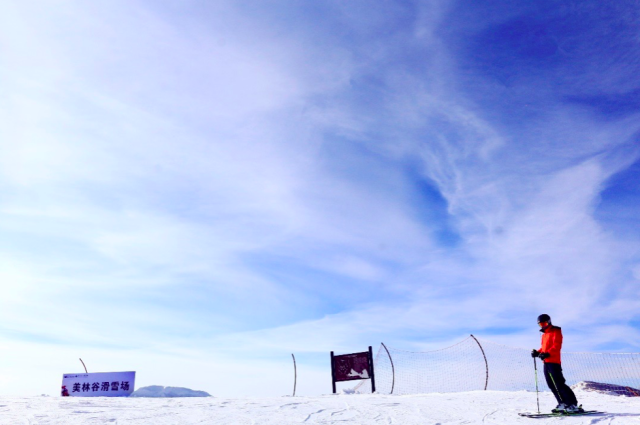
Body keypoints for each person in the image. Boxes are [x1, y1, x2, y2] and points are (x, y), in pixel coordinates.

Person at [531, 314, 583, 413]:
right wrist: (537, 352)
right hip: (546, 362)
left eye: (544, 323)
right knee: (551, 384)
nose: (543, 326)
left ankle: (572, 404)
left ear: (549, 322)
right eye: (540, 324)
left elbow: (556, 345)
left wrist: (547, 354)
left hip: (554, 362)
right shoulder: (544, 335)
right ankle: (562, 403)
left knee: (559, 383)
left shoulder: (556, 331)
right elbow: (543, 348)